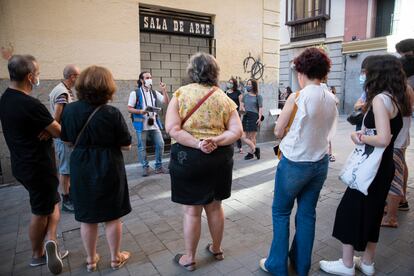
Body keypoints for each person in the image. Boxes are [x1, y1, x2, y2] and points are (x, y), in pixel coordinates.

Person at [320, 55, 409, 276]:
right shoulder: (395, 98)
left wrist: (359, 137)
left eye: (366, 72)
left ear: (376, 74)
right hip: (384, 166)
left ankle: (347, 264)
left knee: (349, 211)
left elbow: (383, 138)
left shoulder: (380, 100)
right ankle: (367, 262)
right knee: (374, 213)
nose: (364, 76)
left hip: (371, 167)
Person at [259, 47, 338, 276]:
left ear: (302, 71)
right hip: (319, 163)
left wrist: (281, 128)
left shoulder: (298, 96)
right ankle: (301, 265)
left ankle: (277, 265)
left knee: (281, 212)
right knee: (307, 214)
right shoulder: (331, 98)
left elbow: (278, 130)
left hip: (295, 163)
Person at [165, 52, 243, 271]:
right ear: (215, 72)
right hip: (219, 158)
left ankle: (189, 257)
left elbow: (172, 128)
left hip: (188, 158)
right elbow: (237, 131)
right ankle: (217, 248)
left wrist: (197, 143)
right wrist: (215, 140)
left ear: (192, 71)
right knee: (215, 207)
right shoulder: (224, 98)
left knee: (192, 211)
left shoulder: (181, 94)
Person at [60, 66, 132, 272]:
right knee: (112, 215)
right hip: (109, 165)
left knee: (87, 216)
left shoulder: (70, 110)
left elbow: (66, 140)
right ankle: (115, 258)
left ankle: (91, 260)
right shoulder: (112, 113)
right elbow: (126, 144)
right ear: (107, 87)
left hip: (81, 165)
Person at [0, 55, 68, 274]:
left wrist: (45, 130)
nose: (38, 76)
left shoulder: (5, 99)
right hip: (39, 165)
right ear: (30, 77)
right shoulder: (31, 104)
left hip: (21, 163)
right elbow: (58, 131)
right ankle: (39, 253)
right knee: (41, 210)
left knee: (52, 202)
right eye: (37, 73)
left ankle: (51, 243)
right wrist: (50, 130)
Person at [381, 55, 414, 227]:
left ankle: (391, 217)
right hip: (402, 139)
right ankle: (392, 208)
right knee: (397, 175)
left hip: (395, 141)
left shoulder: (396, 90)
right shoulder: (407, 88)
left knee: (393, 179)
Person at [49, 64, 80, 213]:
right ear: (72, 76)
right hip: (63, 137)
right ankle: (66, 200)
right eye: (77, 75)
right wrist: (62, 133)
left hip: (65, 136)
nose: (78, 79)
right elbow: (57, 116)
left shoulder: (62, 89)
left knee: (68, 168)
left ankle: (72, 196)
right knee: (65, 169)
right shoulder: (62, 93)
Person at [128, 72, 170, 176]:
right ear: (142, 80)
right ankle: (145, 167)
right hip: (141, 124)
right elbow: (129, 108)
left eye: (150, 77)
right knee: (142, 147)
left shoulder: (154, 93)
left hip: (154, 123)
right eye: (147, 78)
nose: (149, 79)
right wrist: (140, 111)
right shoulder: (135, 93)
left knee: (160, 144)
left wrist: (164, 90)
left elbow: (166, 101)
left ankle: (158, 167)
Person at [240, 79, 263, 160]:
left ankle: (250, 153)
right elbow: (242, 106)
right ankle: (255, 149)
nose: (248, 85)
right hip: (246, 116)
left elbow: (260, 108)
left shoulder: (258, 96)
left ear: (254, 86)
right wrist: (242, 109)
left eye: (250, 84)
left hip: (254, 116)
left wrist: (259, 118)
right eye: (247, 84)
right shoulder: (245, 95)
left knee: (252, 137)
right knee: (243, 136)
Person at [353, 56, 374, 131]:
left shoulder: (380, 94)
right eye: (362, 72)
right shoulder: (366, 91)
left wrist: (363, 105)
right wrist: (364, 105)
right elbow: (356, 106)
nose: (362, 75)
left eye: (365, 72)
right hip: (362, 126)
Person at [225, 77, 243, 153]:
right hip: (227, 114)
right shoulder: (225, 92)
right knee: (227, 130)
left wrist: (240, 114)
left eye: (231, 82)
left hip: (235, 114)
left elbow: (241, 104)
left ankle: (240, 147)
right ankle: (228, 146)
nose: (230, 84)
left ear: (234, 84)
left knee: (236, 129)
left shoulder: (238, 92)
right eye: (229, 82)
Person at [328, 86, 339, 162]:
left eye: (329, 89)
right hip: (328, 118)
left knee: (328, 138)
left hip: (330, 118)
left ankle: (329, 154)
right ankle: (329, 154)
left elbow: (336, 103)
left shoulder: (333, 97)